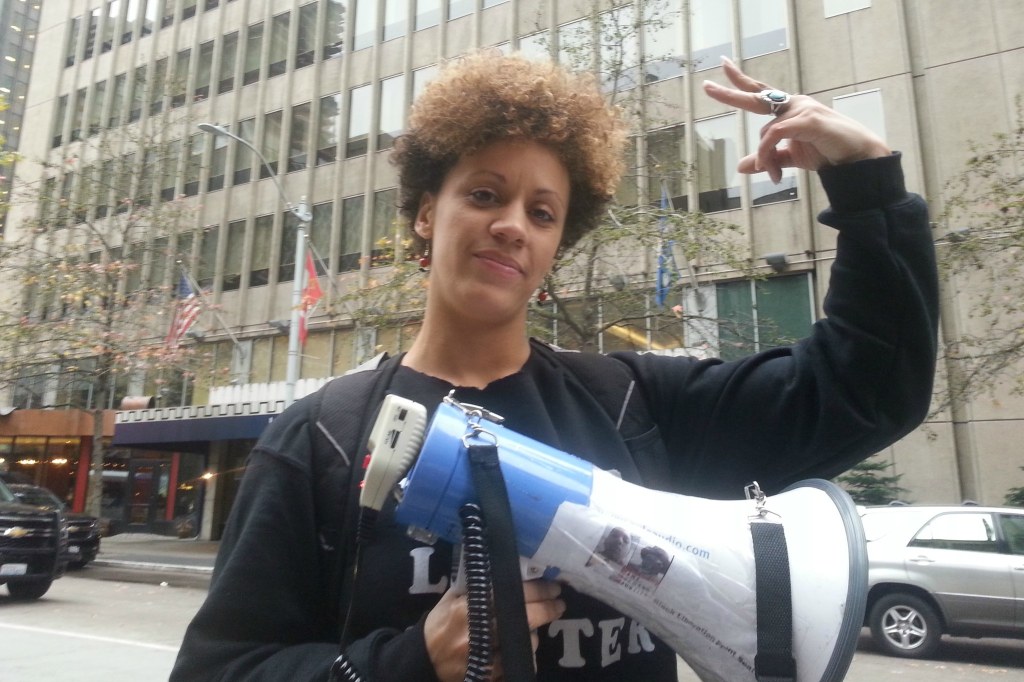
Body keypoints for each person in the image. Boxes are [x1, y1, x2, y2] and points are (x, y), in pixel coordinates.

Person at [171, 51, 938, 681]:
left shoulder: (633, 408)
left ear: (554, 249)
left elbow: (867, 389)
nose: (512, 226)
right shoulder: (325, 437)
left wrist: (866, 180)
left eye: (542, 213)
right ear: (427, 213)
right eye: (484, 194)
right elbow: (219, 669)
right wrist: (407, 664)